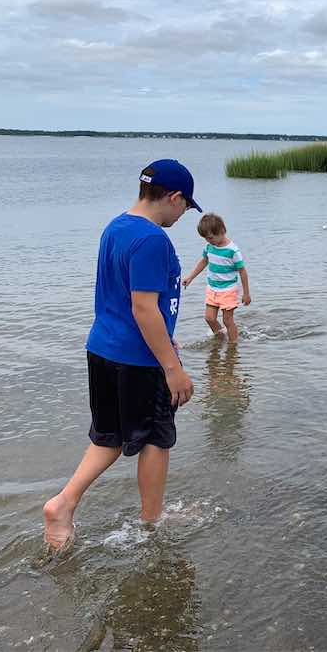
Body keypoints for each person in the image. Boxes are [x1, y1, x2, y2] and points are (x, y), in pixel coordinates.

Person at [42, 159, 200, 550]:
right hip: (139, 358)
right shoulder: (152, 240)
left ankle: (63, 504)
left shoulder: (117, 226)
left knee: (109, 437)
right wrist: (172, 367)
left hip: (104, 347)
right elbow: (143, 307)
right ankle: (152, 523)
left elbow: (125, 298)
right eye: (185, 206)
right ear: (174, 197)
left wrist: (167, 338)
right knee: (156, 439)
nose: (183, 215)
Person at [182, 213, 251, 342]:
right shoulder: (210, 247)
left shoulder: (232, 250)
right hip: (212, 289)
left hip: (228, 290)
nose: (208, 241)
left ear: (222, 231)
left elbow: (242, 271)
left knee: (227, 320)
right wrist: (190, 277)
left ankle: (232, 346)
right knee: (209, 318)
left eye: (210, 238)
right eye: (206, 238)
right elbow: (204, 261)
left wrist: (246, 294)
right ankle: (220, 339)